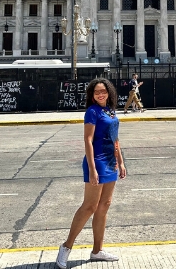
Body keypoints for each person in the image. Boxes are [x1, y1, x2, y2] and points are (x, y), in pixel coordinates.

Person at [56, 78, 126, 269]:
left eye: (103, 91)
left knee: (105, 205)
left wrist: (121, 161)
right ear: (92, 95)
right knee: (89, 206)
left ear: (109, 92)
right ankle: (66, 247)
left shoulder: (110, 111)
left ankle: (97, 251)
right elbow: (88, 140)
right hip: (98, 162)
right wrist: (93, 168)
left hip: (111, 162)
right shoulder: (92, 112)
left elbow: (115, 138)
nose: (100, 94)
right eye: (96, 92)